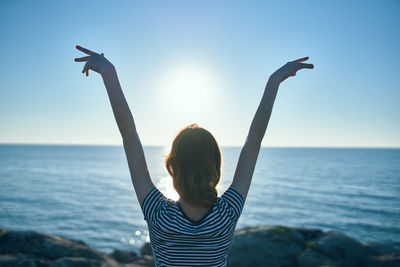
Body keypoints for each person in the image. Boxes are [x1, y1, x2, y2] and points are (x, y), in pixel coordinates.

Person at [74, 45, 313, 266]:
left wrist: (109, 74)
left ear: (172, 167)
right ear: (216, 168)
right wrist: (274, 82)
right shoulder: (227, 213)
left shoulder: (158, 214)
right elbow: (254, 142)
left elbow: (129, 137)